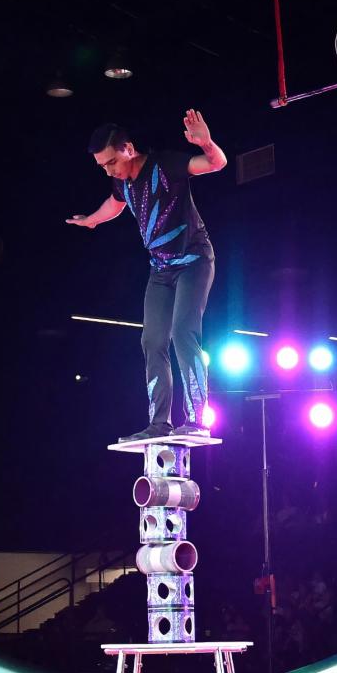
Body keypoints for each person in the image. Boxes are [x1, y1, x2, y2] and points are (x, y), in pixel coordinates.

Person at [68, 113, 228, 442]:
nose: (109, 170)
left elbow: (216, 164)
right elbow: (115, 205)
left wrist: (207, 143)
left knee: (183, 331)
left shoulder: (165, 165)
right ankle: (159, 423)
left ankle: (198, 418)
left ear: (128, 148)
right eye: (103, 167)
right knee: (152, 341)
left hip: (195, 261)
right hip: (161, 270)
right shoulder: (120, 181)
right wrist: (92, 221)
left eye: (111, 162)